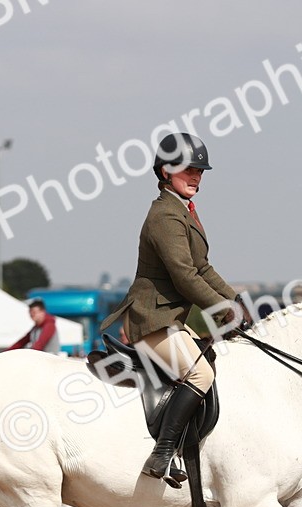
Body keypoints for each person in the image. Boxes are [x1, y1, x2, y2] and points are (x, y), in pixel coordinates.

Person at [99, 132, 241, 484]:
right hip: (153, 319)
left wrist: (236, 302)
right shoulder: (165, 215)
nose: (196, 176)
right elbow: (185, 276)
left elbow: (204, 267)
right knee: (200, 375)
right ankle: (162, 453)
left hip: (171, 319)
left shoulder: (183, 211)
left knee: (215, 361)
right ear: (165, 171)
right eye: (188, 169)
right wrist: (223, 311)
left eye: (200, 171)